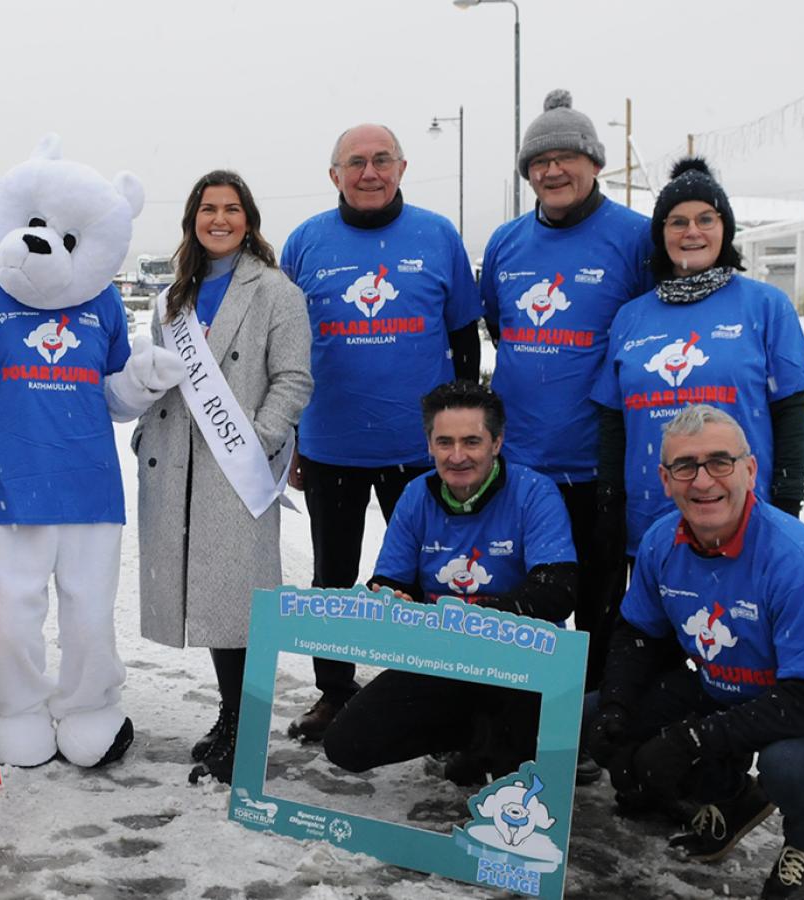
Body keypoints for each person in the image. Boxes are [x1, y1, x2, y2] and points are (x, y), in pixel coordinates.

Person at [587, 405, 804, 900]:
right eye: (685, 466)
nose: (703, 480)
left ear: (750, 470)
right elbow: (637, 632)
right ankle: (732, 799)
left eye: (720, 462)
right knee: (593, 715)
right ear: (666, 481)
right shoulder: (659, 540)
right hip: (730, 683)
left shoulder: (798, 560)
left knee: (788, 765)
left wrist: (688, 741)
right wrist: (618, 709)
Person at [279, 123, 483, 741]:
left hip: (418, 455)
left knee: (427, 580)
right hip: (331, 446)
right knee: (333, 578)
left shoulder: (437, 235)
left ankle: (424, 699)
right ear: (334, 174)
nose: (369, 172)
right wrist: (289, 440)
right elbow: (283, 347)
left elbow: (464, 341)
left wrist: (462, 435)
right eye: (355, 162)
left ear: (401, 167)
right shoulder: (305, 243)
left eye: (381, 160)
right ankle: (333, 694)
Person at [134, 171, 313, 784]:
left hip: (238, 467)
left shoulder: (276, 292)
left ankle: (245, 724)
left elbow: (293, 379)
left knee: (242, 602)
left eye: (231, 209)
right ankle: (231, 712)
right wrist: (143, 431)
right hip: (180, 465)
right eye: (208, 209)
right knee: (210, 598)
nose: (219, 219)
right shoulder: (174, 298)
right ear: (192, 219)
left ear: (249, 218)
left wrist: (259, 441)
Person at [480, 90, 653, 687]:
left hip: (600, 462)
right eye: (539, 160)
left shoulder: (635, 237)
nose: (553, 170)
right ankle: (515, 715)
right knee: (525, 596)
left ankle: (588, 718)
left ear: (595, 164)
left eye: (567, 157)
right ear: (527, 172)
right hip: (522, 462)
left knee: (601, 599)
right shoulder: (505, 243)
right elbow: (502, 329)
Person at [321, 382, 576, 785]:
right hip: (444, 660)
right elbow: (387, 580)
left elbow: (557, 589)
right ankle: (473, 735)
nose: (457, 456)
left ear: (497, 442)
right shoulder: (416, 495)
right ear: (429, 445)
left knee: (518, 784)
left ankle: (502, 741)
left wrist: (475, 617)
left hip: (521, 668)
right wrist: (389, 598)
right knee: (345, 744)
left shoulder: (534, 492)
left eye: (471, 441)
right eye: (445, 442)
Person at [592, 157, 804, 569]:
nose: (692, 231)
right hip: (649, 525)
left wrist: (788, 502)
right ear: (661, 234)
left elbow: (791, 411)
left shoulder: (766, 306)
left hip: (743, 520)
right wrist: (609, 501)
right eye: (677, 222)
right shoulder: (631, 316)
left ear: (724, 229)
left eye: (705, 218)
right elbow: (613, 422)